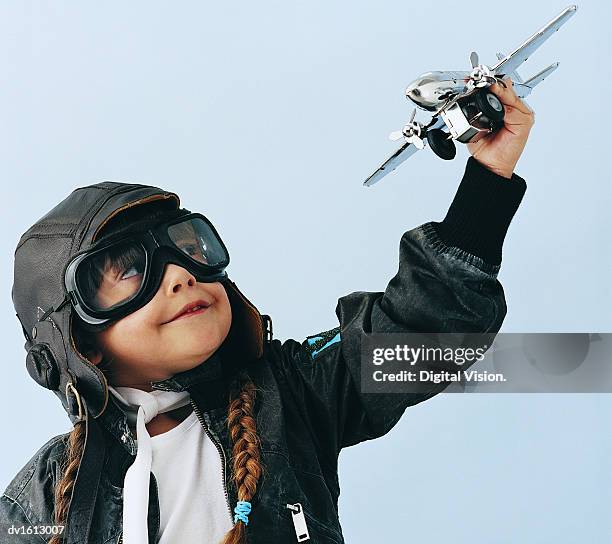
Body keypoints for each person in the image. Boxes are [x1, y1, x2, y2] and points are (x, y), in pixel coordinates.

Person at [1, 78, 533, 544]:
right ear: (77, 341)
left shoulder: (292, 394)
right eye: (129, 272)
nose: (182, 274)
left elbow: (423, 338)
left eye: (188, 248)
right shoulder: (45, 496)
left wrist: (487, 182)